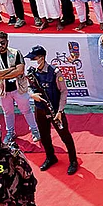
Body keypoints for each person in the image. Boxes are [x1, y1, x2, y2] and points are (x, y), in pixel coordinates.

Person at [24, 46, 79, 174]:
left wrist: (60, 111)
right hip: (40, 110)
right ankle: (50, 157)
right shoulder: (31, 72)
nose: (32, 60)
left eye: (34, 58)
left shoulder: (55, 72)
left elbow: (64, 92)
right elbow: (28, 87)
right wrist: (32, 95)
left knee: (65, 136)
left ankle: (73, 160)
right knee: (44, 135)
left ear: (41, 58)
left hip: (55, 110)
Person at [0, 32, 40, 143]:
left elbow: (19, 70)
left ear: (7, 42)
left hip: (18, 88)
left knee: (26, 110)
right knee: (7, 112)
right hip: (3, 90)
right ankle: (10, 133)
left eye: (2, 43)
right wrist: (10, 70)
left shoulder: (16, 53)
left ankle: (35, 131)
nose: (0, 45)